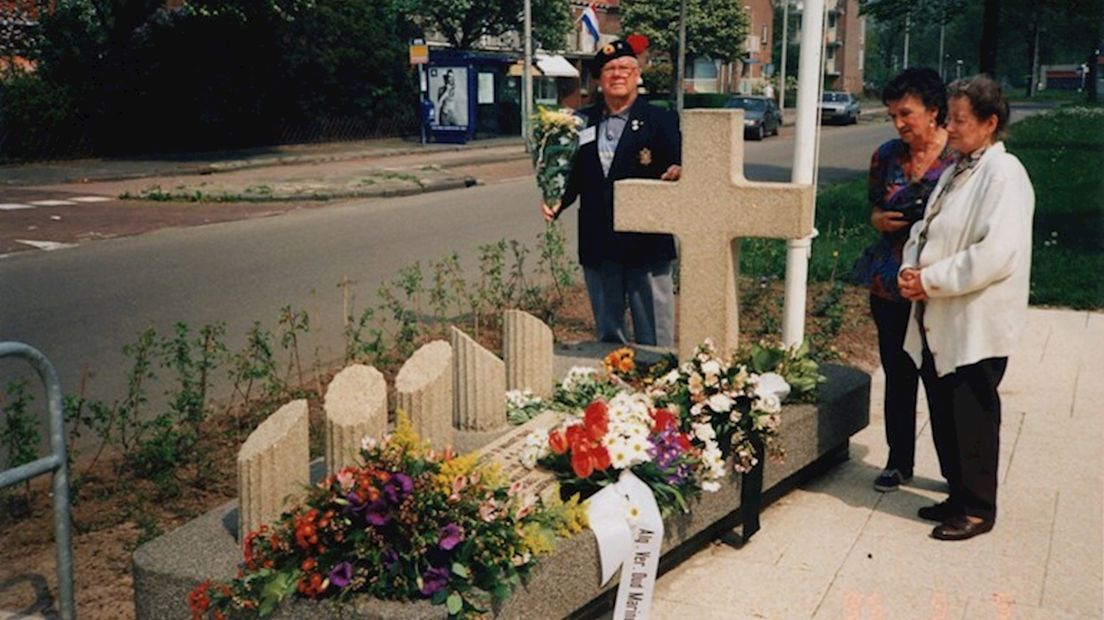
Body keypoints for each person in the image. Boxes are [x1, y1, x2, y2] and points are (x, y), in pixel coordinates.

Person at [899, 75, 1034, 541]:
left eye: (959, 120)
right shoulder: (959, 169)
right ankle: (958, 496)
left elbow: (997, 252)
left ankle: (978, 509)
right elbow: (926, 230)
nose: (949, 128)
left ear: (989, 122)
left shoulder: (1004, 173)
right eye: (948, 118)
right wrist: (910, 268)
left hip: (973, 320)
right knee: (945, 411)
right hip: (941, 314)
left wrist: (931, 280)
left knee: (973, 414)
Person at [542, 40, 682, 346]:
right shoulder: (581, 122)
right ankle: (614, 381)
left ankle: (659, 380)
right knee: (608, 329)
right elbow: (573, 174)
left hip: (646, 238)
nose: (617, 74)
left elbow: (679, 160)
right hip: (598, 236)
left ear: (637, 74)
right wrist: (558, 201)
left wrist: (677, 170)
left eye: (624, 68)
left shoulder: (661, 119)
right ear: (598, 79)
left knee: (655, 330)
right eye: (609, 70)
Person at [857, 67, 956, 493]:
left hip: (939, 286)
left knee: (941, 380)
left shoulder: (958, 159)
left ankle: (955, 471)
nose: (899, 123)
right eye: (893, 114)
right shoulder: (886, 156)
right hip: (890, 283)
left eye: (907, 113)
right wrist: (879, 218)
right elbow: (874, 208)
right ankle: (899, 462)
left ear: (934, 111)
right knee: (899, 376)